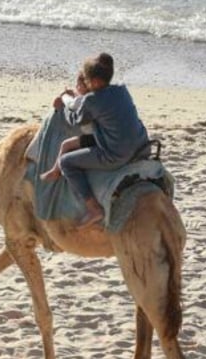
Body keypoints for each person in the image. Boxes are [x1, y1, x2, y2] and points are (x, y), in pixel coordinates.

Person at [39, 52, 150, 229]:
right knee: (72, 144)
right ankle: (55, 170)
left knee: (67, 162)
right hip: (141, 146)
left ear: (96, 82)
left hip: (115, 153)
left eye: (88, 81)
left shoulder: (92, 100)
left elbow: (74, 119)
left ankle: (93, 208)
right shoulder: (121, 89)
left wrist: (62, 104)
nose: (87, 84)